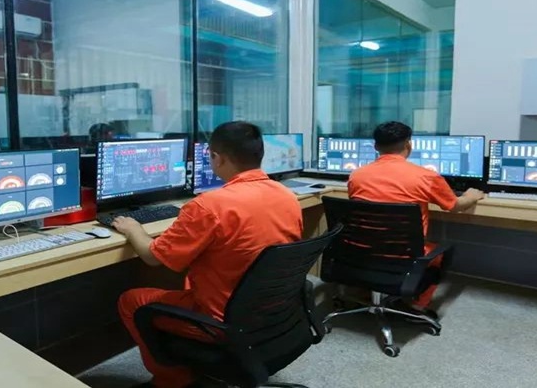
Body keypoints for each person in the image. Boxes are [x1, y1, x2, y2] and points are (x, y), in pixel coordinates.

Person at [113, 121, 303, 388]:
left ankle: (172, 380)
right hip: (274, 312)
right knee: (190, 279)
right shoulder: (287, 196)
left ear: (216, 157)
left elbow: (153, 257)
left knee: (131, 301)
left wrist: (133, 229)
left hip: (222, 322)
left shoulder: (209, 206)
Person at [348, 121, 485, 312]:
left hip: (363, 251)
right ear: (408, 145)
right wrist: (472, 195)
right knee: (440, 252)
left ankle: (367, 290)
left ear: (376, 146)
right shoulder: (425, 177)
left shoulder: (356, 176)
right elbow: (455, 206)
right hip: (405, 255)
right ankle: (416, 305)